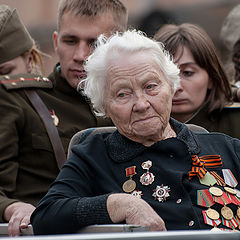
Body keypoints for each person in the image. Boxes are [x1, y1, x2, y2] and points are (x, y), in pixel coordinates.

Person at [31, 29, 240, 235]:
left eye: (150, 86)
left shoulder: (228, 149)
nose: (141, 104)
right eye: (123, 94)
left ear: (171, 86)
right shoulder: (93, 156)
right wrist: (119, 204)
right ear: (104, 106)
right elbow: (46, 216)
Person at [0, 1, 127, 236]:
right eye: (70, 41)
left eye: (94, 43)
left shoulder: (137, 104)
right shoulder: (19, 100)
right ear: (56, 42)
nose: (80, 55)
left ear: (120, 46)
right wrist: (13, 207)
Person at [153, 23, 240, 139]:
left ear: (211, 78)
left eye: (188, 73)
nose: (177, 87)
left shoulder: (234, 121)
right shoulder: (137, 127)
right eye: (167, 75)